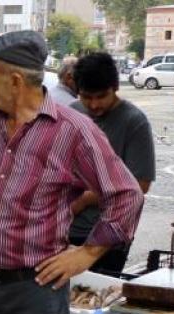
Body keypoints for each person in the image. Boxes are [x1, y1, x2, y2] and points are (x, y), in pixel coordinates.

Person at [0, 31, 144, 314]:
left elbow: (127, 194)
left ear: (14, 81)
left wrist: (87, 254)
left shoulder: (72, 130)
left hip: (33, 292)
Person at [69, 52, 156, 275]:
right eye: (87, 97)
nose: (94, 104)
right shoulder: (71, 113)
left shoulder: (134, 122)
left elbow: (140, 185)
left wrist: (86, 199)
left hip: (110, 234)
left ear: (115, 87)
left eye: (101, 96)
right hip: (65, 229)